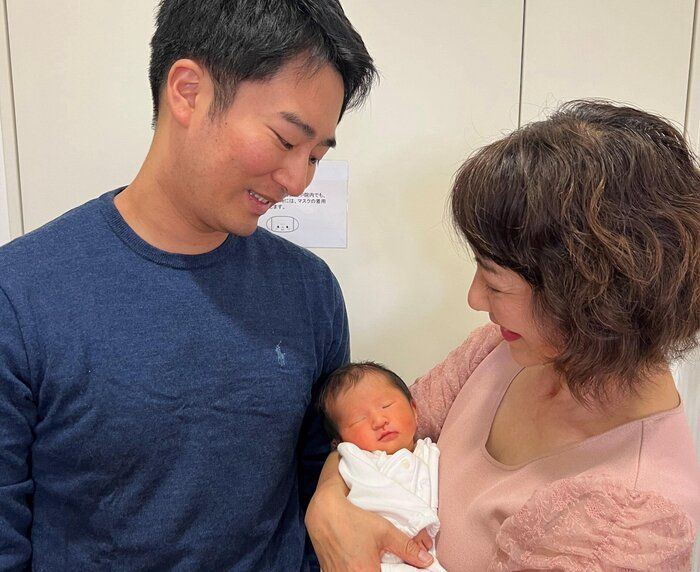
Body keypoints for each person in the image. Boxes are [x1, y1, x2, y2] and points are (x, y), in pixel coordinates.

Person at [0, 1, 381, 569]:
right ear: (188, 92)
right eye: (285, 140)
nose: (298, 181)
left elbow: (323, 489)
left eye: (316, 156)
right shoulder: (20, 294)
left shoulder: (310, 292)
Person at [306, 100, 700, 571]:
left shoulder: (628, 522)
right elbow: (378, 437)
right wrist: (328, 505)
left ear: (588, 297)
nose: (475, 298)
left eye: (494, 282)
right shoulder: (498, 350)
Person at [319, 362, 446, 572]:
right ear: (340, 441)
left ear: (414, 410)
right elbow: (375, 496)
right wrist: (415, 525)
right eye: (358, 419)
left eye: (386, 405)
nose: (379, 421)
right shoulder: (357, 461)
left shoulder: (429, 450)